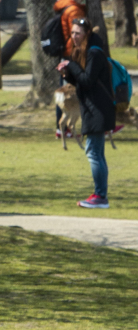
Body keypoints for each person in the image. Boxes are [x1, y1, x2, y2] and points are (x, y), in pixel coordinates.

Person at [61, 21, 116, 208]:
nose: (74, 37)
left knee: (93, 152)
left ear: (86, 34)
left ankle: (100, 197)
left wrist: (71, 65)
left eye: (78, 33)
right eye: (72, 33)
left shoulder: (94, 52)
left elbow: (87, 80)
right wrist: (68, 74)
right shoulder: (89, 52)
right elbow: (83, 82)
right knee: (97, 153)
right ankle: (100, 195)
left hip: (99, 110)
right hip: (95, 109)